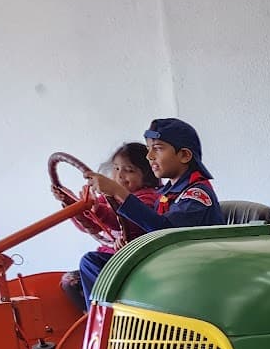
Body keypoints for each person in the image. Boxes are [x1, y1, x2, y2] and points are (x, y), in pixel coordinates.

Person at [78, 117, 223, 290]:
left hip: (190, 272)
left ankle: (115, 314)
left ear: (184, 155)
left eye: (158, 149)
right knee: (93, 262)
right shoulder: (166, 193)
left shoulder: (196, 194)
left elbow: (166, 232)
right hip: (165, 264)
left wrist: (118, 192)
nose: (149, 156)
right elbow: (150, 230)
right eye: (148, 149)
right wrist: (128, 242)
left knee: (91, 263)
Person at [59, 142, 161, 307]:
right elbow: (91, 227)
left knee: (89, 261)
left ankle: (104, 314)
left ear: (148, 175)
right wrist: (72, 206)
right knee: (69, 282)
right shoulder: (106, 198)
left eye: (129, 170)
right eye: (116, 168)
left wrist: (99, 210)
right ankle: (91, 316)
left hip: (133, 261)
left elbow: (126, 221)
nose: (120, 176)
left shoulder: (146, 198)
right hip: (111, 257)